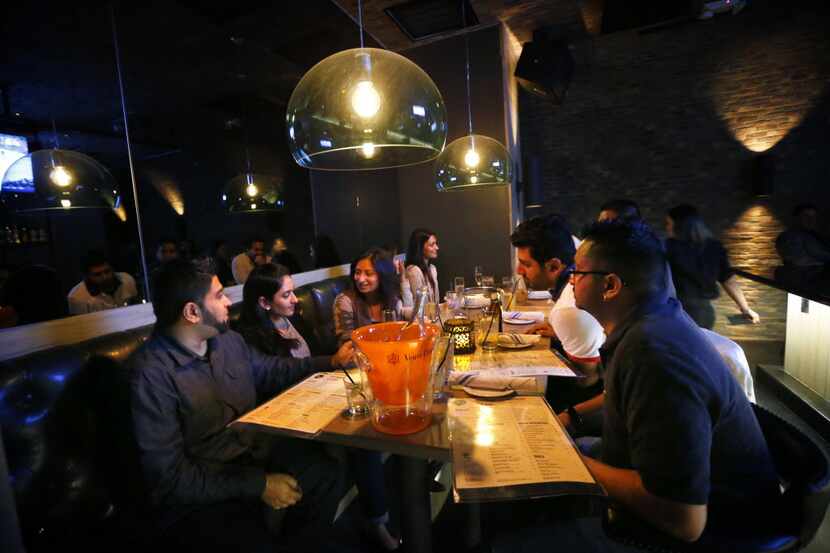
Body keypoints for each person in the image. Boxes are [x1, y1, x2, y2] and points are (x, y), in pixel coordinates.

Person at [491, 220, 781, 552]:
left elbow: (684, 520)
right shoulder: (654, 320)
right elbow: (621, 398)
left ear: (610, 285)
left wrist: (568, 462)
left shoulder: (654, 354)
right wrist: (569, 418)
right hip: (649, 476)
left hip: (706, 533)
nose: (570, 281)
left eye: (579, 273)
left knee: (501, 537)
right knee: (525, 479)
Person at [128, 258, 355, 552]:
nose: (228, 302)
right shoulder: (150, 374)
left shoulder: (228, 341)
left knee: (325, 473)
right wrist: (259, 484)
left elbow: (272, 369)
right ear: (192, 312)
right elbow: (170, 477)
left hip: (252, 451)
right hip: (206, 484)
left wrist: (331, 362)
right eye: (220, 295)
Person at [238, 263, 399, 550]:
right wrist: (331, 362)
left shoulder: (293, 320)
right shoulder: (248, 338)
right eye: (286, 295)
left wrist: (343, 357)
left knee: (367, 435)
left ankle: (378, 521)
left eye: (293, 293)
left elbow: (318, 353)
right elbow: (276, 376)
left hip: (319, 395)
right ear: (263, 302)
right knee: (357, 444)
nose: (294, 300)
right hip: (288, 414)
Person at [509, 215, 606, 414]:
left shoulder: (568, 311)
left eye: (526, 264)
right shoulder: (569, 291)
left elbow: (586, 381)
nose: (519, 271)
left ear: (553, 266)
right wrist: (559, 335)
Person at [665, 204, 759, 328]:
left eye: (668, 223)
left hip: (675, 311)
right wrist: (745, 308)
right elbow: (728, 280)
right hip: (704, 313)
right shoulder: (714, 247)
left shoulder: (668, 248)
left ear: (680, 225)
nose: (667, 228)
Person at [334, 248, 412, 345]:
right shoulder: (345, 301)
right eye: (357, 272)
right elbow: (347, 346)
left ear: (383, 276)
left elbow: (398, 334)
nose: (361, 279)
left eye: (369, 273)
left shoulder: (391, 299)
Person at [67, 251, 138, 315]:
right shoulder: (77, 297)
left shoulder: (127, 280)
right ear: (87, 276)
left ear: (113, 269)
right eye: (98, 274)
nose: (105, 277)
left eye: (107, 271)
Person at [402, 228, 440, 306]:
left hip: (432, 316)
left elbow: (436, 303)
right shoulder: (414, 271)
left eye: (436, 244)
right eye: (432, 245)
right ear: (420, 247)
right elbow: (420, 307)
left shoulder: (432, 269)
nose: (437, 248)